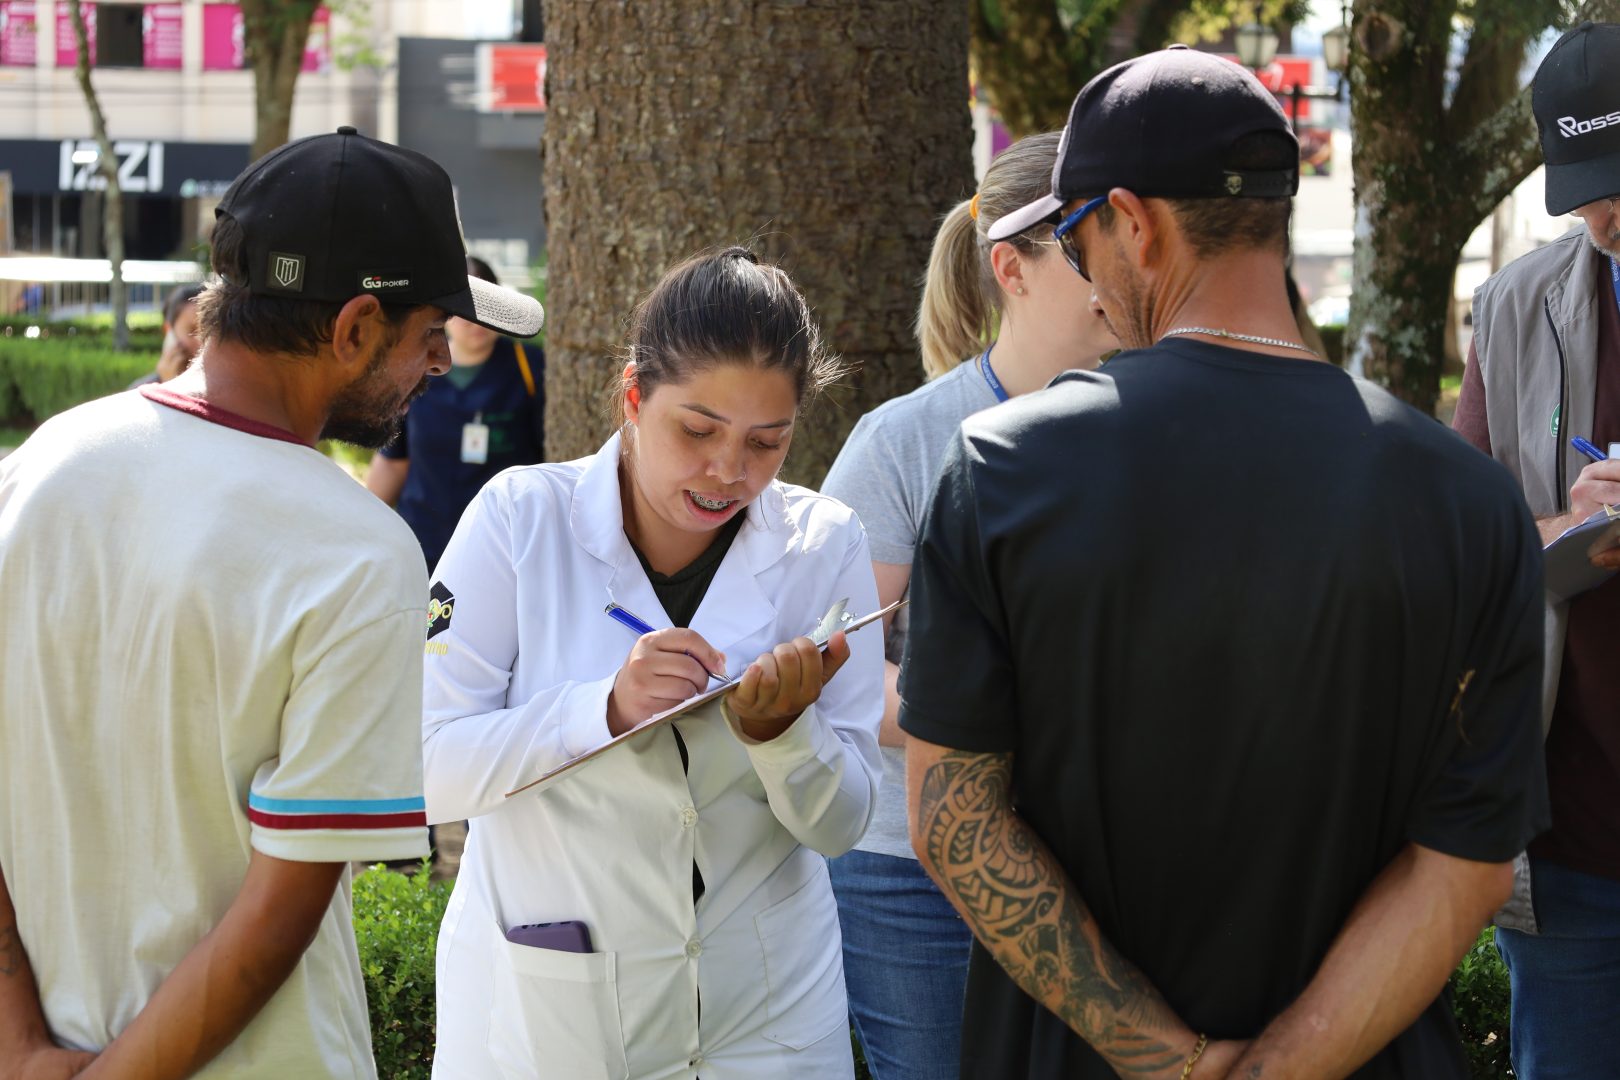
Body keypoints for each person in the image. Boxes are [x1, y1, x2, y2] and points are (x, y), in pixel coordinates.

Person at [901, 47, 1549, 1079]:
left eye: (1074, 237)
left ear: (1135, 222)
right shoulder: (1470, 504)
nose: (1084, 278)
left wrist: (1173, 1060)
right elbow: (1464, 865)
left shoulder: (1004, 471)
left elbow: (954, 820)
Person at [0, 127, 542, 1078]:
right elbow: (276, 916)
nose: (441, 364)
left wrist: (20, 1045)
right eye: (428, 335)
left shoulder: (41, 465)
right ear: (355, 328)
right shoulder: (358, 551)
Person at [422, 246, 884, 1079]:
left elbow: (844, 825)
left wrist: (784, 737)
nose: (727, 472)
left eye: (766, 442)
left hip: (768, 1017)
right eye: (697, 430)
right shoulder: (518, 522)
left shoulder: (826, 543)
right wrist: (599, 711)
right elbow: (425, 768)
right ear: (633, 397)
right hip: (554, 1008)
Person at [820, 131, 1116, 1080]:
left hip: (1103, 860)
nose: (1124, 262)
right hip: (914, 876)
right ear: (1011, 269)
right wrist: (1022, 721)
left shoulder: (1163, 425)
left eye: (1132, 231)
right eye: (1088, 241)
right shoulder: (903, 442)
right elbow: (839, 672)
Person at [1452, 21, 1620, 1077]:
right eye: (1587, 185)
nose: (1606, 215)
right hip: (1572, 851)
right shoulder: (1518, 303)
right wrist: (1570, 527)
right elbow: (1465, 546)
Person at [366, 255, 546, 571]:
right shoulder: (415, 369)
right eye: (465, 311)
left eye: (487, 309)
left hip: (505, 547)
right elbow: (394, 462)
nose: (476, 322)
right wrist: (361, 530)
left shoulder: (530, 367)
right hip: (425, 545)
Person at [127, 282, 205, 389]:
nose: (203, 342)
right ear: (169, 332)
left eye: (209, 331)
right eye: (194, 331)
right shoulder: (141, 391)